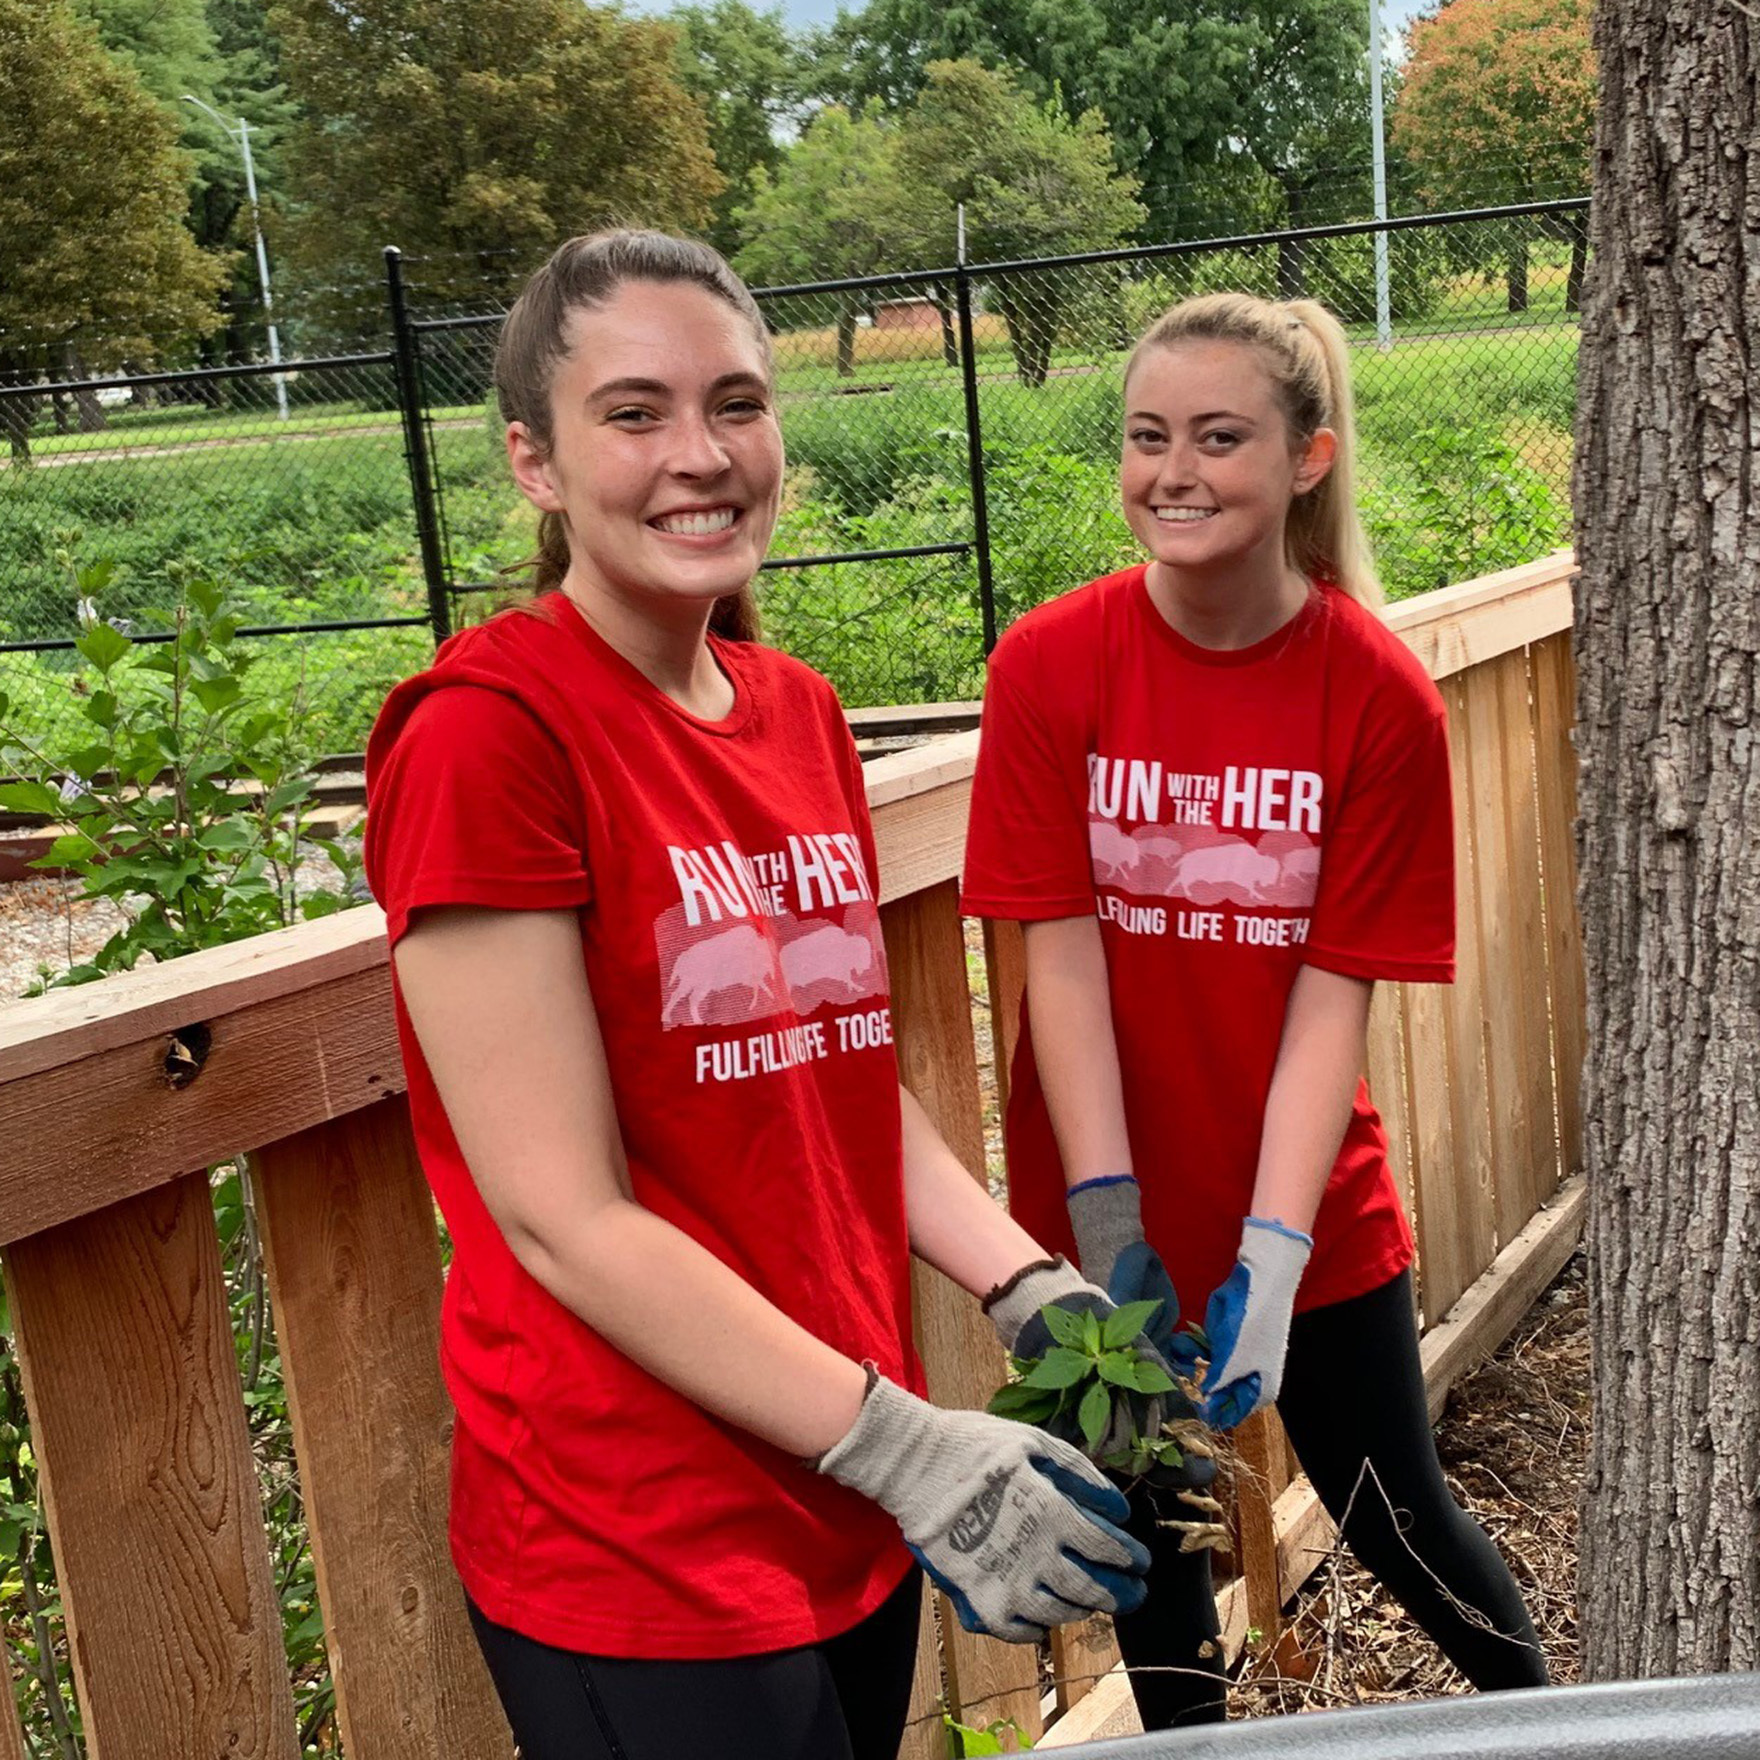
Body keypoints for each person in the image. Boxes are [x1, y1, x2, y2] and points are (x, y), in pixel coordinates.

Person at [362, 230, 1152, 1760]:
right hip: (641, 1536)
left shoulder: (792, 710)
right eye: (635, 413)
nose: (702, 456)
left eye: (737, 403)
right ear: (535, 460)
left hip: (835, 1475)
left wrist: (1026, 1285)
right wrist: (906, 1443)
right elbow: (555, 1216)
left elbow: (837, 1074)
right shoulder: (490, 736)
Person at [959, 291, 1550, 1729]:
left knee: (1396, 1522)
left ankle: (1552, 1731)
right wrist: (1109, 1239)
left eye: (1220, 437)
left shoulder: (1375, 694)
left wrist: (1275, 1256)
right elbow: (1062, 960)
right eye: (1148, 436)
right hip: (1103, 1225)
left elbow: (1328, 1000)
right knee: (1157, 1560)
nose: (1176, 470)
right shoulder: (1051, 664)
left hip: (1310, 1212)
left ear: (1306, 457)